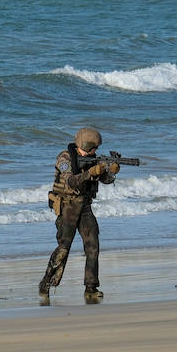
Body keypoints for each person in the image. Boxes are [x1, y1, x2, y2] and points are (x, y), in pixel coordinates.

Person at [39, 128, 119, 304]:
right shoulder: (65, 158)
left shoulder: (91, 160)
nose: (95, 152)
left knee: (93, 245)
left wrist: (111, 172)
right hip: (67, 206)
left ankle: (91, 288)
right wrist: (91, 172)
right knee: (63, 249)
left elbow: (105, 179)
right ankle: (45, 284)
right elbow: (71, 182)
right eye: (93, 148)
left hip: (84, 207)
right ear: (86, 145)